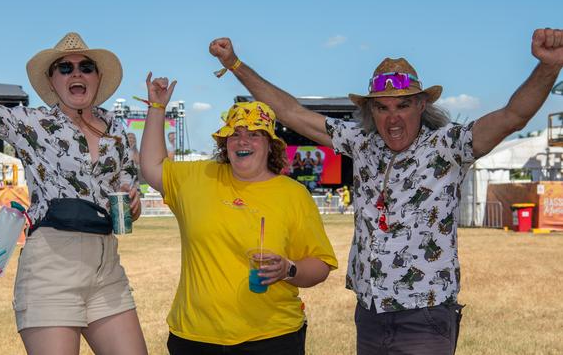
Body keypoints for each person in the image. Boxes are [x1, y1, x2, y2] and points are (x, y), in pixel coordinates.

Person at [210, 28, 563, 354]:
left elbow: (513, 116)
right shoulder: (362, 143)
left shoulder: (449, 144)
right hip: (370, 314)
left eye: (403, 105)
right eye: (381, 107)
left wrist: (548, 68)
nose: (392, 118)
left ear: (422, 105)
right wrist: (234, 64)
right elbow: (289, 111)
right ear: (370, 111)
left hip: (425, 316)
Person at [0, 0, 148, 354]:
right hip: (50, 267)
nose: (76, 73)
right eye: (64, 68)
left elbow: (130, 206)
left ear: (98, 78)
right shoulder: (32, 124)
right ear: (52, 82)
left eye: (86, 66)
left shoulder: (118, 131)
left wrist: (133, 205)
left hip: (107, 268)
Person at [139, 74, 338, 354]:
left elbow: (320, 265)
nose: (242, 140)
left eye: (254, 134)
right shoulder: (199, 177)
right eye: (235, 133)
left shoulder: (292, 194)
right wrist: (157, 108)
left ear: (270, 144)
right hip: (196, 337)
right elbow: (151, 166)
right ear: (225, 143)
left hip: (272, 338)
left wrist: (287, 269)